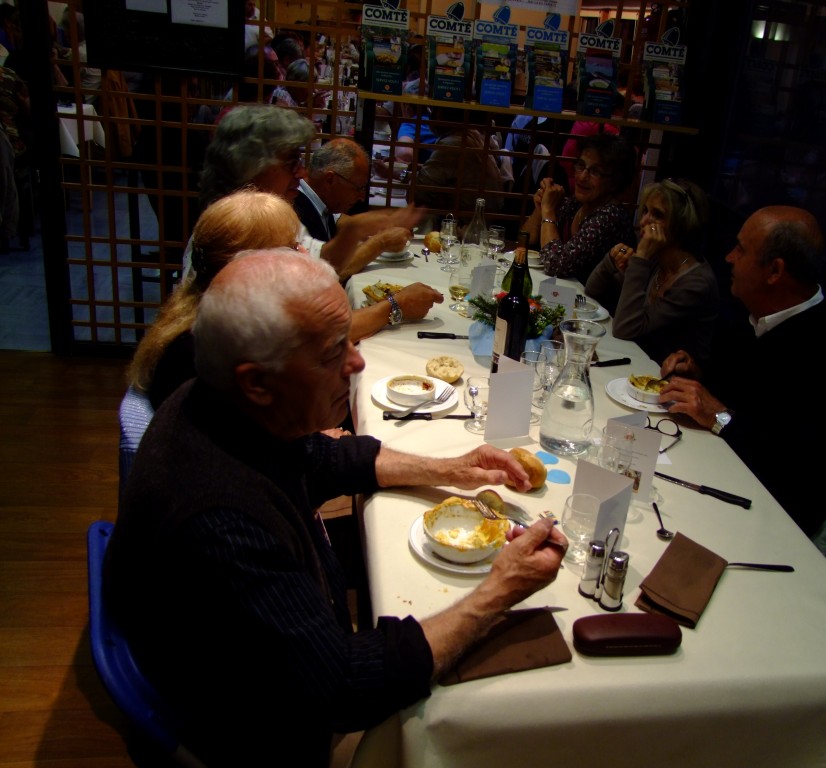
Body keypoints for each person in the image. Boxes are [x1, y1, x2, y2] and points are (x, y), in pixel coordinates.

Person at [105, 249, 567, 768]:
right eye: (331, 353)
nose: (357, 361)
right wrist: (500, 589)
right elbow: (344, 688)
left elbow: (324, 460)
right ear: (257, 381)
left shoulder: (222, 402)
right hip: (255, 737)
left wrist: (456, 469)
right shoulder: (219, 517)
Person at [657, 206, 826, 536]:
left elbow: (795, 470)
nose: (728, 258)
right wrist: (696, 375)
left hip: (764, 517)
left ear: (774, 271)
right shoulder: (752, 314)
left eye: (740, 250)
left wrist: (720, 416)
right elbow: (740, 393)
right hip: (714, 467)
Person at [130, 190, 441, 409]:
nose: (305, 253)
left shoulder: (210, 312)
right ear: (247, 266)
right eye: (293, 247)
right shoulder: (213, 352)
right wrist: (395, 306)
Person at [191, 104, 417, 282]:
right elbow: (311, 290)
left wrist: (356, 229)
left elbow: (321, 260)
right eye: (291, 163)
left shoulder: (272, 215)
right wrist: (393, 306)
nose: (301, 172)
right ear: (249, 167)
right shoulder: (230, 237)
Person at [585, 178, 719, 366]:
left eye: (657, 215)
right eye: (645, 211)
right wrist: (611, 258)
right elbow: (591, 291)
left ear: (681, 225)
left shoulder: (696, 283)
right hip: (638, 359)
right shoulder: (658, 259)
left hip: (667, 375)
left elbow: (625, 328)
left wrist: (640, 260)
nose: (643, 221)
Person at [522, 134, 637, 284]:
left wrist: (548, 210)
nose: (582, 177)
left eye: (595, 172)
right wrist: (541, 208)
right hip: (562, 293)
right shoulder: (576, 204)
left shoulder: (610, 217)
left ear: (615, 182)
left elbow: (556, 265)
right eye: (581, 165)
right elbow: (525, 242)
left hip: (593, 298)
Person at [410, 106, 507, 215]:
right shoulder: (472, 134)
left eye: (434, 111)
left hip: (463, 220)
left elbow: (418, 195)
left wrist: (405, 178)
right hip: (482, 216)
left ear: (441, 116)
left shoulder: (453, 144)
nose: (430, 117)